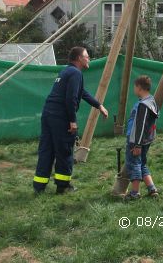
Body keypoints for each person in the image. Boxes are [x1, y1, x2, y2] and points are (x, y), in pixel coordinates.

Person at [33, 46, 109, 194]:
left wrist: (99, 105)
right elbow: (71, 98)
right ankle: (63, 186)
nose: (89, 59)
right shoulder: (75, 73)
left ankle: (39, 186)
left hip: (48, 114)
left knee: (46, 150)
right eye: (87, 56)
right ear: (79, 58)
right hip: (61, 117)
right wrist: (72, 121)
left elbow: (82, 93)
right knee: (65, 151)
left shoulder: (66, 71)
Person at [125, 75, 160, 201]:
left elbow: (140, 126)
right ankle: (152, 189)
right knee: (141, 163)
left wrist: (137, 145)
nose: (134, 89)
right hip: (145, 140)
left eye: (134, 87)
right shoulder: (151, 101)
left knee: (134, 164)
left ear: (139, 88)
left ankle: (135, 192)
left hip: (136, 140)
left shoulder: (143, 105)